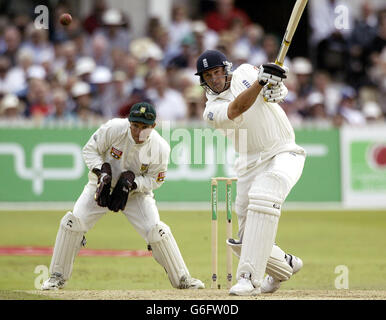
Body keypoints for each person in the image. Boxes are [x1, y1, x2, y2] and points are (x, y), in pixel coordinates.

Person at [41, 102, 204, 290]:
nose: (138, 132)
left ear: (153, 127)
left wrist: (134, 184)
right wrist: (101, 171)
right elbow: (90, 150)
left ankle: (183, 279)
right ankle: (56, 276)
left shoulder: (160, 147)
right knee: (72, 224)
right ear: (129, 122)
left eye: (144, 128)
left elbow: (155, 179)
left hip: (135, 194)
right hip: (101, 185)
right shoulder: (114, 128)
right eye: (135, 126)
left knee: (157, 232)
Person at [195, 50, 306, 296]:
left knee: (265, 195)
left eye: (217, 72)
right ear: (203, 80)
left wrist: (276, 87)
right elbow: (237, 108)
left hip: (283, 150)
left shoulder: (245, 71)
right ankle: (284, 266)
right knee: (245, 241)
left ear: (226, 69)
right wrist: (261, 83)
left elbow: (276, 92)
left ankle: (247, 278)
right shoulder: (211, 110)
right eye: (208, 75)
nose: (214, 79)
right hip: (248, 163)